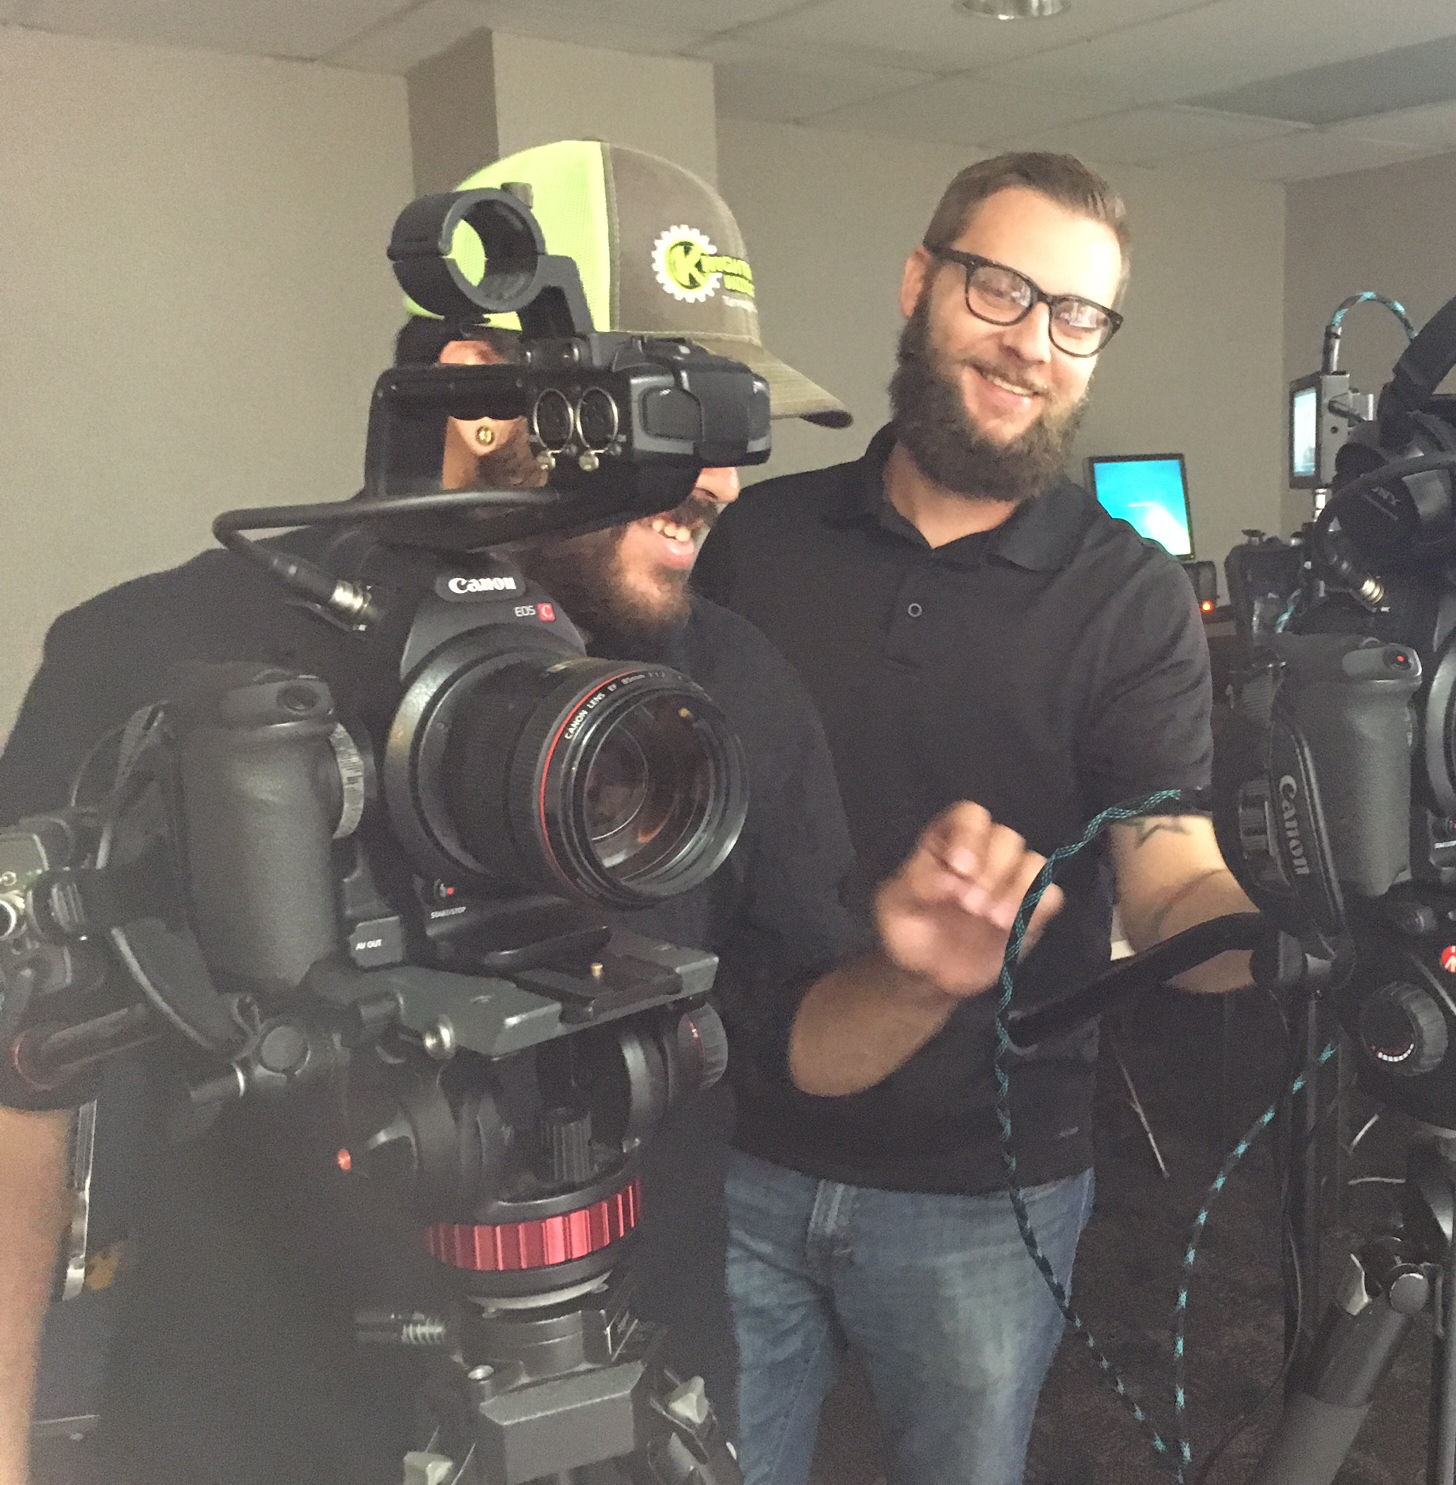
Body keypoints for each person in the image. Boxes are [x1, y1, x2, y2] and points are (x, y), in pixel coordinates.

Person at [0, 140, 1064, 1485]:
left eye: (735, 431)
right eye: (671, 421)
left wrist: (915, 985)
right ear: (481, 399)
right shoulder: (151, 664)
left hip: (640, 1408)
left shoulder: (725, 687)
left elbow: (794, 1035)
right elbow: (20, 1084)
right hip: (255, 1426)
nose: (722, 481)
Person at [690, 151, 1258, 1485]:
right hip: (732, 1141)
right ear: (920, 283)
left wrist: (1275, 926)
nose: (1033, 343)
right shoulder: (750, 545)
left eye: (1077, 315)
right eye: (1001, 289)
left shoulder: (1130, 598)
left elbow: (1171, 875)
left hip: (984, 1187)